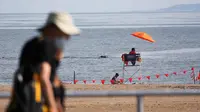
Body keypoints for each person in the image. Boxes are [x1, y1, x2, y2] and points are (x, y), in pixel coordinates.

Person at [6, 12, 80, 112]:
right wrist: (53, 107)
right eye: (65, 33)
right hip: (38, 105)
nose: (67, 37)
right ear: (54, 28)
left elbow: (50, 75)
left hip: (24, 102)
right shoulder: (47, 45)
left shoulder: (31, 43)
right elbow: (44, 78)